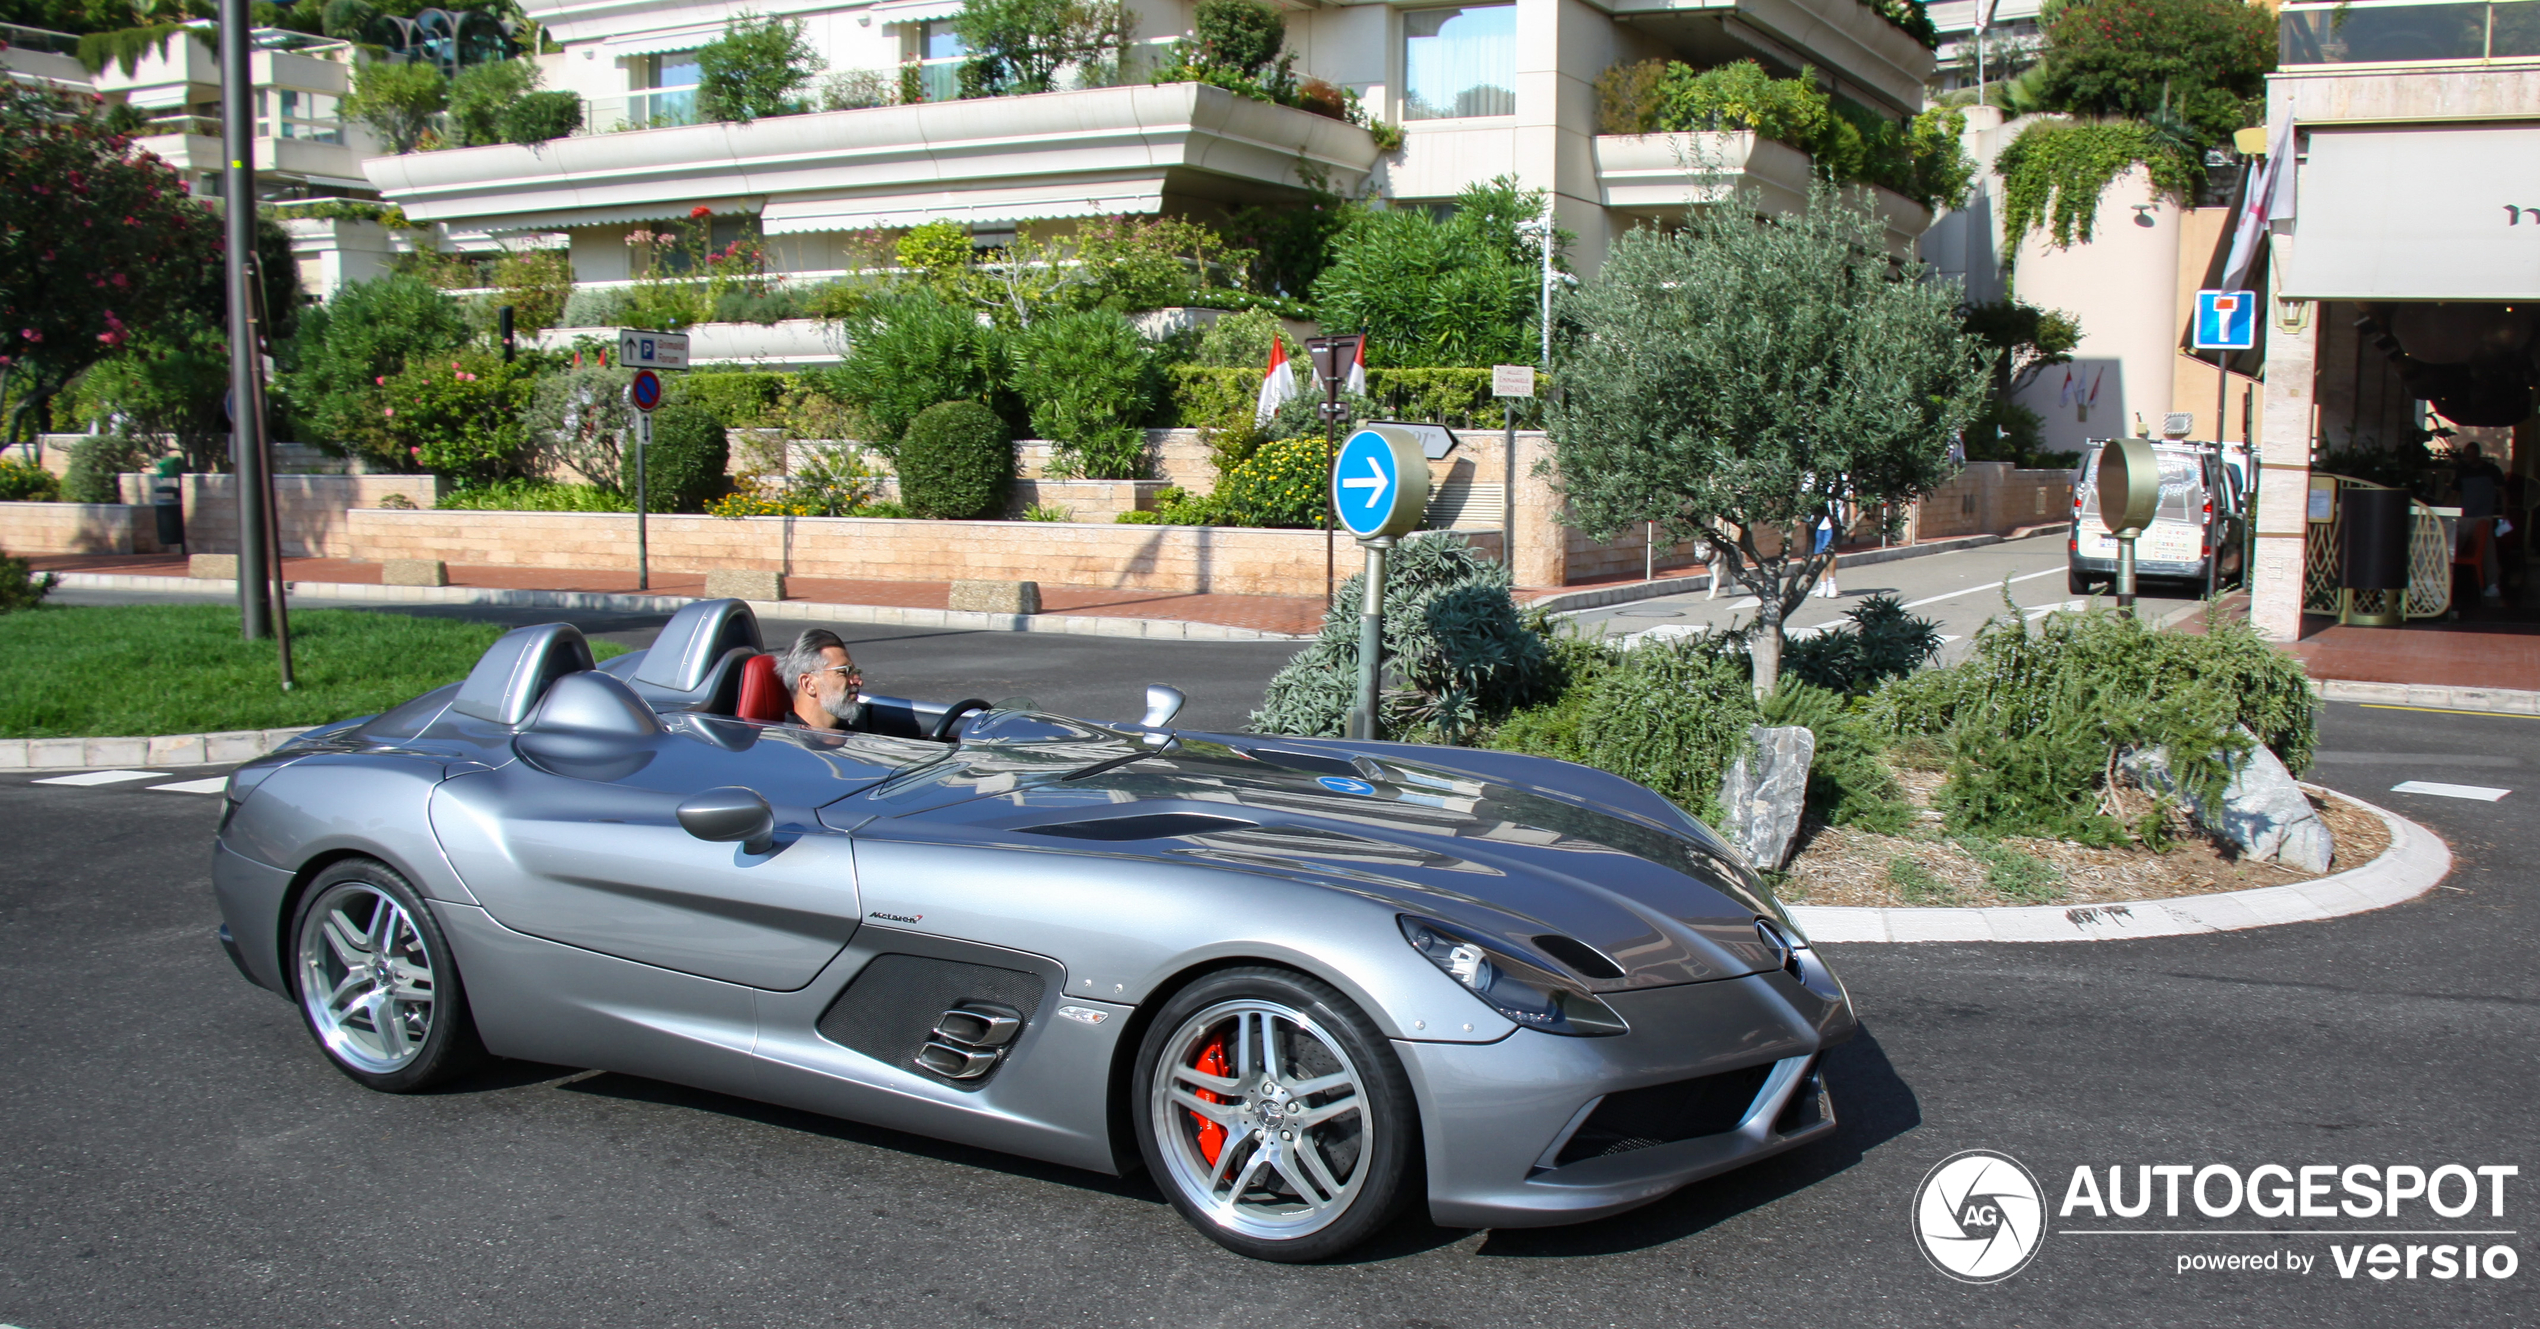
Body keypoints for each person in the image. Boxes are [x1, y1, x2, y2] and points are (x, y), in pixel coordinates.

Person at [778, 628, 865, 730]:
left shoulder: (857, 739)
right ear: (809, 684)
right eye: (843, 672)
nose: (859, 681)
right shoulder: (781, 744)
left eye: (855, 672)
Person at [2454, 443, 2507, 602]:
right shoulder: (2462, 471)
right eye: (2465, 454)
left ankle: (2493, 584)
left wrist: (2505, 513)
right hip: (2465, 516)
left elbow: (2503, 492)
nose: (2466, 457)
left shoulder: (2492, 470)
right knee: (2451, 547)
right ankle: (2442, 583)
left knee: (2487, 550)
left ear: (2477, 454)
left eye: (2469, 454)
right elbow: (2454, 493)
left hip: (2484, 516)